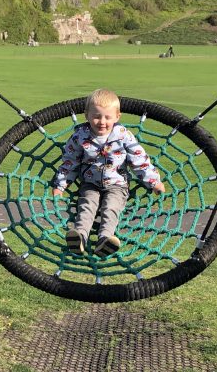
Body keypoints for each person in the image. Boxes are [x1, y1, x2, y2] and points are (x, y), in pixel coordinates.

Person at [52, 88, 165, 256]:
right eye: (96, 116)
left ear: (117, 117)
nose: (101, 121)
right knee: (86, 206)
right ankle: (80, 237)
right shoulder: (80, 136)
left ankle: (105, 239)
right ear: (87, 115)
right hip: (90, 184)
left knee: (111, 208)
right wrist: (60, 185)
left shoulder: (123, 136)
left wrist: (153, 181)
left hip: (117, 185)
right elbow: (70, 161)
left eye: (107, 117)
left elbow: (138, 159)